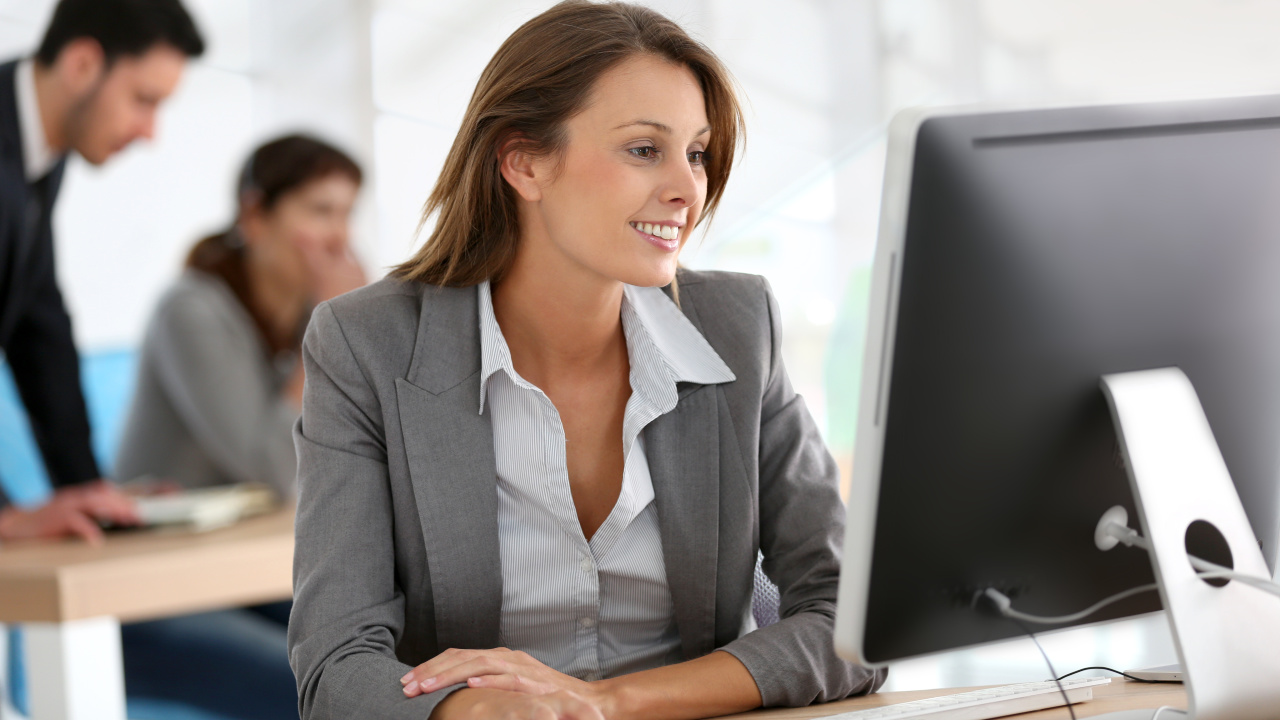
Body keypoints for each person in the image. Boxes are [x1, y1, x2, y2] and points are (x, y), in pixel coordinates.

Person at [288, 2, 887, 719]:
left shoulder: (738, 326)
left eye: (696, 153)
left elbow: (855, 626)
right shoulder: (366, 344)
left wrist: (605, 703)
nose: (687, 188)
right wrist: (471, 711)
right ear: (524, 161)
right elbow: (336, 667)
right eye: (644, 149)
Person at [0, 0, 204, 543]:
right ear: (83, 63)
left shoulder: (36, 150)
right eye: (144, 100)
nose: (149, 131)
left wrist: (88, 488)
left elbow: (38, 326)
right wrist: (5, 518)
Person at [115, 133, 367, 499]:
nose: (340, 238)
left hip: (254, 542)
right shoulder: (189, 311)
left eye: (347, 214)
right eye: (321, 211)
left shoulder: (304, 313)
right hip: (158, 547)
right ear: (254, 216)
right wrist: (331, 334)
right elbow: (275, 472)